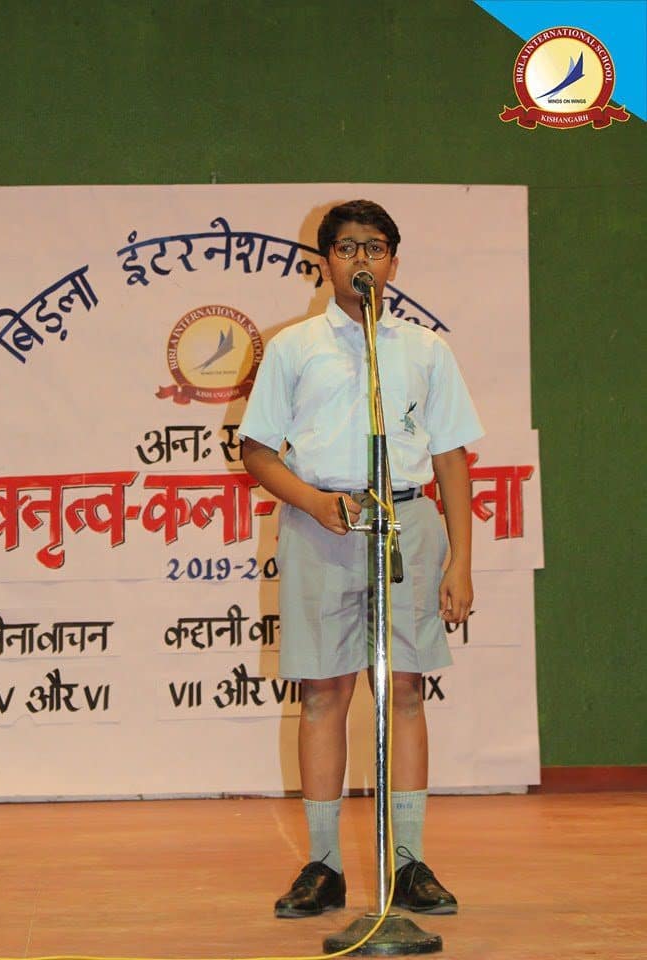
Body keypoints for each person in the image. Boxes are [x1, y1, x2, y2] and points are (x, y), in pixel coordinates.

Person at [238, 199, 484, 919]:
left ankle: (408, 864)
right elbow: (257, 451)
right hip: (322, 526)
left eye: (375, 248)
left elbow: (451, 457)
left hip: (408, 523)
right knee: (322, 693)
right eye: (346, 248)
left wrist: (460, 562)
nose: (361, 260)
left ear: (394, 263)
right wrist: (313, 502)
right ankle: (323, 866)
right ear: (325, 263)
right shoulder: (293, 347)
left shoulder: (425, 350)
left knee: (404, 689)